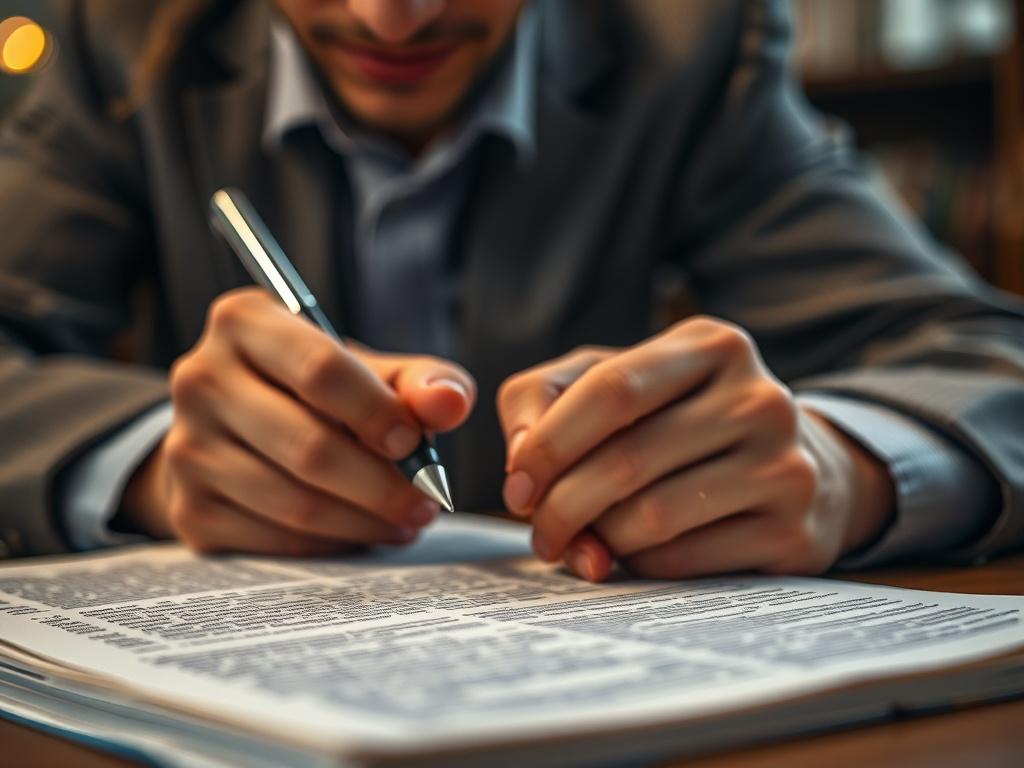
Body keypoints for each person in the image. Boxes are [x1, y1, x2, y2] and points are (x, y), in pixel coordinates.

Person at [1, 0, 1022, 582]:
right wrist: (162, 466)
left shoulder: (695, 42)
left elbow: (990, 366)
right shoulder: (119, 36)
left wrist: (835, 469)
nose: (388, 17)